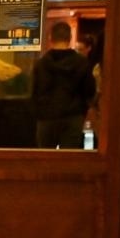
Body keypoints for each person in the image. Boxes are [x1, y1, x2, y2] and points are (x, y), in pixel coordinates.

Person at [31, 21, 96, 149]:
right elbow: (89, 90)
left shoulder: (41, 64)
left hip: (46, 118)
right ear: (70, 38)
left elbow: (34, 91)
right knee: (69, 160)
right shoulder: (82, 63)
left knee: (45, 160)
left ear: (50, 38)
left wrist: (37, 112)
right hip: (73, 117)